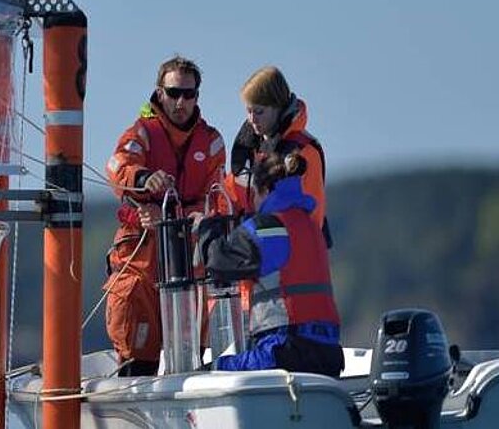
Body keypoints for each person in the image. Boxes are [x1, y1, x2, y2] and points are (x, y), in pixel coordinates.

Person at [104, 56, 227, 376]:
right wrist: (145, 180)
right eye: (174, 93)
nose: (181, 102)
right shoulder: (142, 133)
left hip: (188, 263)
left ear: (198, 96)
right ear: (159, 93)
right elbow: (118, 167)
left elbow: (216, 201)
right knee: (137, 356)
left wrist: (169, 213)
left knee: (189, 360)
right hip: (142, 259)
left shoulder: (211, 142)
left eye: (189, 94)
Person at [199, 152, 343, 376]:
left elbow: (219, 264)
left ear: (263, 190)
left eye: (253, 194)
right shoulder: (312, 225)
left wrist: (207, 227)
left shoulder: (268, 227)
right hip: (329, 353)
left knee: (214, 370)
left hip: (285, 350)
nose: (253, 203)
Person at [229, 66, 330, 246]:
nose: (252, 119)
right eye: (248, 111)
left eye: (259, 112)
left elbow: (313, 217)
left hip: (293, 258)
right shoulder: (250, 150)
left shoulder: (304, 151)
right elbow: (229, 197)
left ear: (278, 107)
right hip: (251, 256)